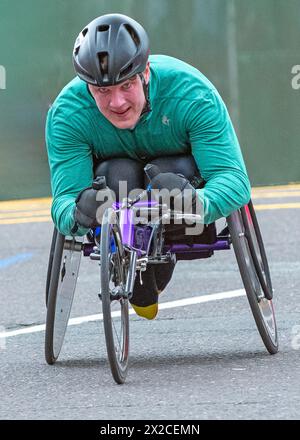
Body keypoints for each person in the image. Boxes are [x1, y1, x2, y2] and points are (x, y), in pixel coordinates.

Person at [46, 13, 251, 320]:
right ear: (87, 88)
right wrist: (77, 212)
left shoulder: (192, 94)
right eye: (102, 91)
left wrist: (198, 202)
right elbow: (63, 199)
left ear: (146, 73)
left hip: (180, 192)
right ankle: (131, 269)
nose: (117, 102)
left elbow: (234, 181)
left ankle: (158, 253)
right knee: (117, 174)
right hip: (118, 194)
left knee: (166, 170)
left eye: (126, 85)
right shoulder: (68, 114)